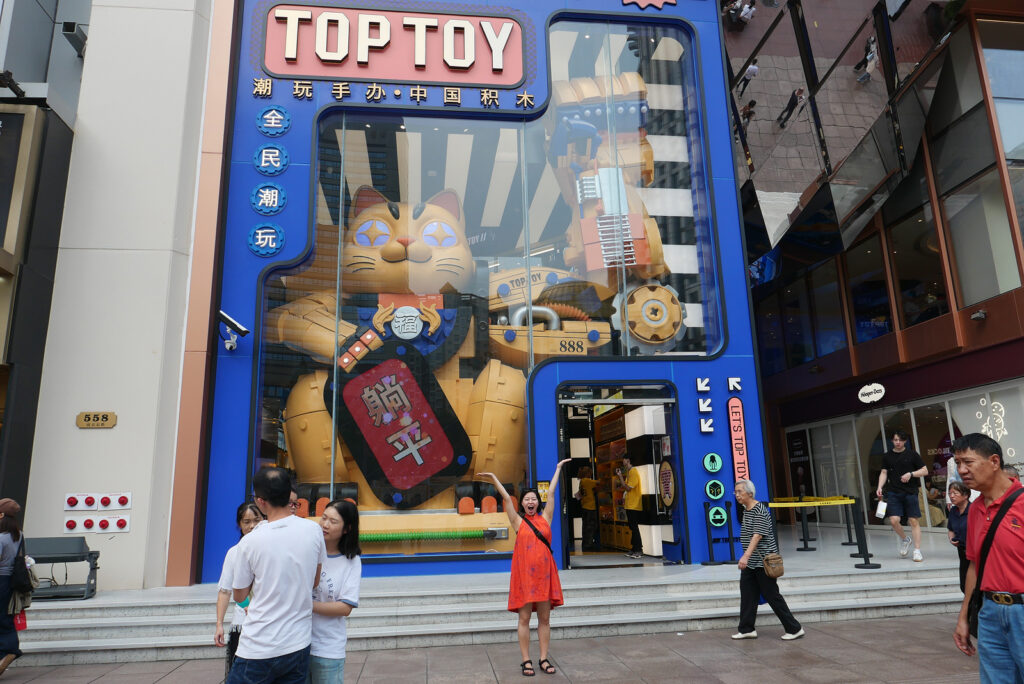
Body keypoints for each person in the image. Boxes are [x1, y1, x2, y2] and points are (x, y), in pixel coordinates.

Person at [227, 467, 327, 684]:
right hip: (298, 644)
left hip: (258, 647)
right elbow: (315, 581)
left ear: (260, 502)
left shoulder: (250, 542)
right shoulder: (313, 531)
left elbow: (239, 595)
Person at [478, 458, 570, 677]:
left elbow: (552, 493)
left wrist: (558, 469)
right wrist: (495, 479)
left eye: (533, 499)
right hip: (526, 579)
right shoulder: (517, 522)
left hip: (545, 577)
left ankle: (543, 658)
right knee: (524, 619)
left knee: (545, 620)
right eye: (527, 499)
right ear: (522, 504)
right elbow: (505, 498)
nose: (530, 502)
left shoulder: (546, 518)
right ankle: (526, 660)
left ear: (538, 503)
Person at [952, 433, 1024, 683]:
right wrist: (964, 617)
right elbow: (974, 564)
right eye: (958, 463)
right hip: (989, 611)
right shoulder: (975, 510)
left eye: (968, 462)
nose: (962, 470)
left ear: (994, 461)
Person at [732, 480, 804, 641]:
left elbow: (757, 535)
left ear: (750, 493)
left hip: (763, 562)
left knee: (772, 595)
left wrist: (745, 556)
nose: (737, 495)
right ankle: (746, 629)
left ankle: (794, 628)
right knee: (748, 595)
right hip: (752, 564)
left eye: (739, 491)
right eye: (735, 492)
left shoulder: (760, 510)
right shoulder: (746, 510)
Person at [309, 499, 362, 684]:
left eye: (333, 521)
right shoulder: (307, 550)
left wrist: (307, 605)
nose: (325, 524)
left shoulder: (351, 561)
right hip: (297, 643)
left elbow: (345, 608)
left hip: (327, 649)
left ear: (347, 528)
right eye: (324, 518)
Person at [216, 503, 265, 678]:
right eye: (246, 521)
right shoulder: (234, 553)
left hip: (267, 625)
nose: (252, 526)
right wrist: (219, 624)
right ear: (239, 524)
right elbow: (225, 591)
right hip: (242, 626)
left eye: (256, 520)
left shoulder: (271, 550)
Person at [875, 429, 928, 561]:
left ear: (904, 441)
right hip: (893, 492)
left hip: (910, 491)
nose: (897, 442)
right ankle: (905, 539)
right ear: (892, 441)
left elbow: (925, 471)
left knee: (913, 520)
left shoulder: (912, 454)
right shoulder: (887, 456)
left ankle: (917, 550)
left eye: (900, 440)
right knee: (893, 520)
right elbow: (884, 472)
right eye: (895, 440)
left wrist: (911, 474)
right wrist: (879, 486)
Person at [0, 499, 23, 675]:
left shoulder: (1, 538)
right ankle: (7, 651)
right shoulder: (19, 535)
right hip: (11, 581)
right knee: (5, 616)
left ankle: (9, 649)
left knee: (2, 618)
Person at [616, 456, 644, 559]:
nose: (622, 461)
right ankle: (634, 548)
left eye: (624, 459)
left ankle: (639, 550)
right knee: (632, 527)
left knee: (634, 527)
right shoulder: (629, 472)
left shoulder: (633, 471)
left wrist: (620, 477)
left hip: (634, 504)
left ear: (628, 460)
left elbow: (628, 488)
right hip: (630, 504)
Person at [946, 482, 971, 593]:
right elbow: (951, 529)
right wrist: (951, 539)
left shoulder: (973, 509)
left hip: (974, 553)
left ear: (965, 495)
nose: (951, 496)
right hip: (961, 551)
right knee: (964, 585)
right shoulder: (953, 511)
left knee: (974, 585)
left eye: (955, 493)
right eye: (950, 493)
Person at [574, 465, 600, 551]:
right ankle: (589, 545)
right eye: (590, 473)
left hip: (584, 506)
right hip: (590, 507)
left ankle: (585, 543)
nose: (591, 475)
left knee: (585, 526)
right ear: (588, 473)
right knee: (591, 526)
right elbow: (598, 482)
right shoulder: (587, 481)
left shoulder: (582, 481)